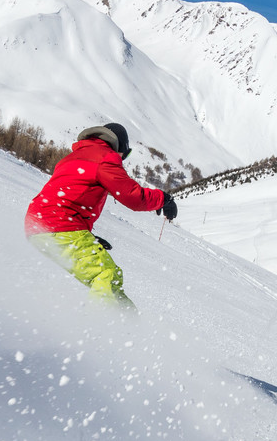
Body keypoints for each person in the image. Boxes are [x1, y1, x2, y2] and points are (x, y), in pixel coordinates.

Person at [24, 123, 177, 308]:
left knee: (70, 279)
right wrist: (164, 199)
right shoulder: (105, 157)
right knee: (106, 275)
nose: (123, 159)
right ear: (119, 147)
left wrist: (86, 236)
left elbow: (68, 196)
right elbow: (132, 197)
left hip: (37, 226)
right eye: (125, 154)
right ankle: (111, 330)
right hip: (60, 225)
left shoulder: (73, 157)